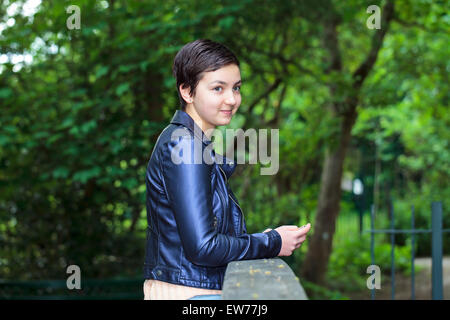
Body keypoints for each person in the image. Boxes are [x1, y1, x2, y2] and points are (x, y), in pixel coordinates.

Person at [143, 39, 311, 300]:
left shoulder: (193, 143)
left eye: (237, 88)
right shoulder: (185, 146)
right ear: (187, 92)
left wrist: (261, 240)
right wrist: (272, 242)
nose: (232, 99)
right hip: (189, 294)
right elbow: (203, 247)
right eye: (218, 88)